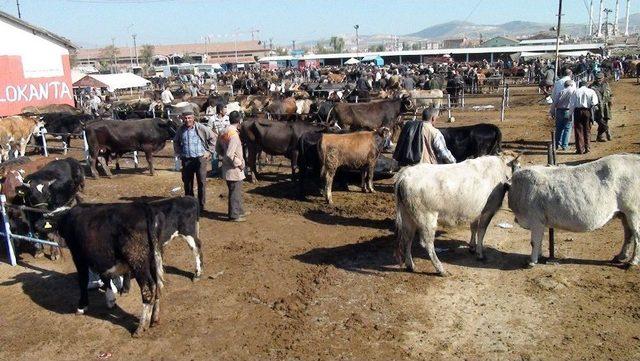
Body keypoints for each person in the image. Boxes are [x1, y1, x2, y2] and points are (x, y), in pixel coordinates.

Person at [173, 111, 215, 213]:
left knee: (201, 182)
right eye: (185, 118)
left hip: (200, 159)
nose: (187, 120)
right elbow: (176, 141)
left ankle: (201, 206)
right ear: (183, 119)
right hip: (186, 159)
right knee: (187, 183)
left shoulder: (201, 128)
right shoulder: (180, 130)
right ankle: (189, 205)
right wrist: (178, 152)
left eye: (189, 118)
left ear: (193, 118)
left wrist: (209, 151)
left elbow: (212, 137)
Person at [216, 111, 247, 222]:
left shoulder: (223, 131)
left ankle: (239, 210)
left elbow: (218, 149)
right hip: (234, 168)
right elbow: (230, 154)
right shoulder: (233, 135)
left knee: (234, 190)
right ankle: (234, 215)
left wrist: (223, 157)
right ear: (239, 121)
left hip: (227, 166)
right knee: (235, 191)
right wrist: (239, 164)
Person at [569, 80, 599, 154]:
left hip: (578, 111)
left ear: (579, 85)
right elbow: (594, 103)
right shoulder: (591, 91)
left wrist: (570, 114)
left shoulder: (575, 92)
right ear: (586, 85)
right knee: (587, 129)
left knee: (578, 130)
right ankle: (587, 147)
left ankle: (580, 149)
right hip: (587, 111)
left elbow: (572, 104)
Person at [551, 79, 576, 150]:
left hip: (559, 111)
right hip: (568, 111)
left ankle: (556, 144)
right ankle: (564, 145)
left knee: (558, 128)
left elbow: (554, 103)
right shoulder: (573, 92)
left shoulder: (560, 92)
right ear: (571, 85)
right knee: (567, 128)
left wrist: (552, 112)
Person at [590, 72, 614, 142]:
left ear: (603, 78)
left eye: (600, 78)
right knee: (601, 121)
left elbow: (610, 94)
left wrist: (611, 101)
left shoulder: (606, 85)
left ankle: (599, 136)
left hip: (606, 106)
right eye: (597, 78)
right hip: (597, 107)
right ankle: (607, 131)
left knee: (606, 120)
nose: (598, 80)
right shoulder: (592, 87)